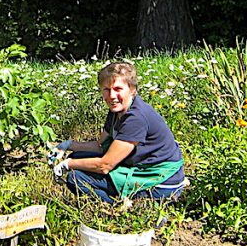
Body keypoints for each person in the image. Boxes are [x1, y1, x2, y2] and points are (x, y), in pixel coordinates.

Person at [52, 61, 186, 203]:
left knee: (75, 178)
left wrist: (68, 164)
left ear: (132, 89)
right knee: (79, 156)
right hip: (140, 165)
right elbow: (100, 146)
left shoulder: (136, 118)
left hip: (161, 182)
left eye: (118, 89)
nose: (112, 96)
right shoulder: (117, 110)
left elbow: (105, 165)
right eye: (106, 89)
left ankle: (118, 207)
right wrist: (67, 145)